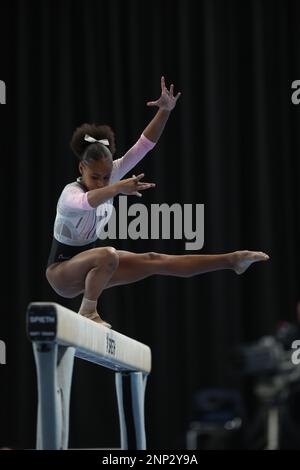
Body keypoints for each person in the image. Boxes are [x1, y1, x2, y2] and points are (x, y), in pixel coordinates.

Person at [46, 77, 269, 328]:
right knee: (108, 254)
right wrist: (117, 187)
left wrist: (165, 111)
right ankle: (88, 312)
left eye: (106, 176)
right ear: (81, 168)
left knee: (154, 260)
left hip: (93, 270)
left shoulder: (112, 176)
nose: (101, 182)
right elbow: (88, 201)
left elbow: (144, 146)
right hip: (63, 273)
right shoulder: (69, 194)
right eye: (94, 176)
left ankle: (232, 261)